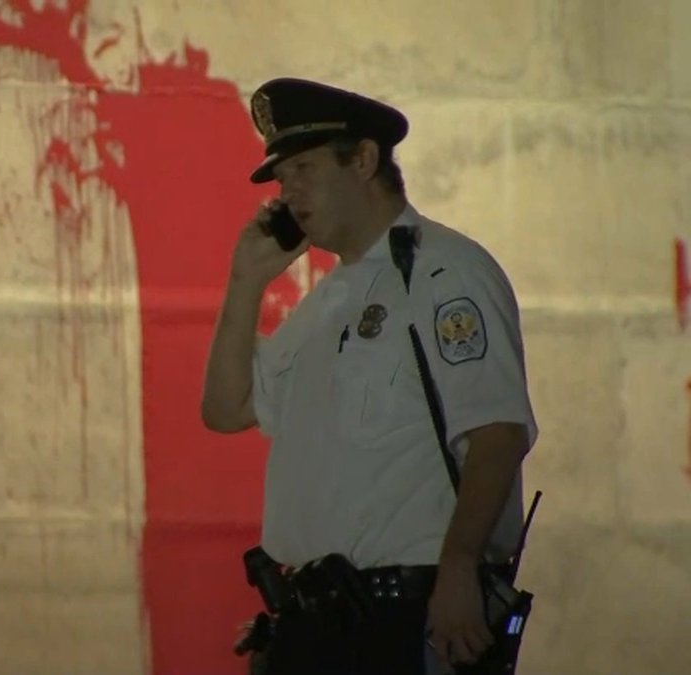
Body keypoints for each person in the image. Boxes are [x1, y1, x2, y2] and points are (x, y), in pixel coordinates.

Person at [201, 77, 538, 674]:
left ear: (363, 159)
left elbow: (497, 433)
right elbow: (226, 411)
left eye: (303, 167)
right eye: (281, 178)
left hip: (404, 616)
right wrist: (246, 282)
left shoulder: (442, 273)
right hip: (315, 626)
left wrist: (459, 569)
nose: (289, 191)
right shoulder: (331, 298)